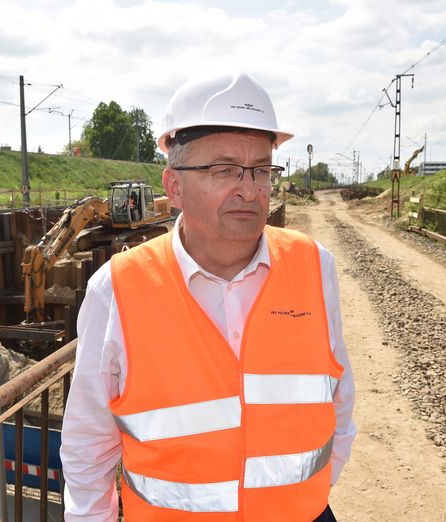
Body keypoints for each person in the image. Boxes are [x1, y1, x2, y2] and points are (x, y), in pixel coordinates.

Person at [61, 71, 356, 521]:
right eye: (223, 170)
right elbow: (88, 444)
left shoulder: (314, 265)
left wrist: (305, 498)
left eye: (261, 169)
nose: (249, 188)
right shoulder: (118, 289)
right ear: (174, 186)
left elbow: (340, 400)